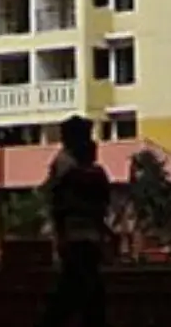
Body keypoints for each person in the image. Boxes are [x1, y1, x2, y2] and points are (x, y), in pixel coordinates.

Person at [38, 115, 112, 327]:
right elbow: (62, 205)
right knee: (81, 291)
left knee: (80, 291)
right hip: (77, 239)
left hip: (83, 238)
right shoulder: (68, 168)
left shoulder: (77, 168)